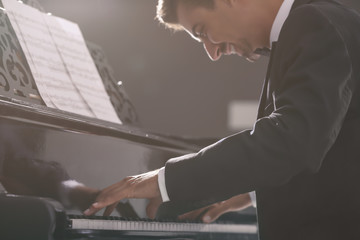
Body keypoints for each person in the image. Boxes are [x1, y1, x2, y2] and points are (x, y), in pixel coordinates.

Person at [84, 0, 360, 239]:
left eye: (203, 31)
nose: (213, 53)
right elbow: (333, 143)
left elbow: (293, 140)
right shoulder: (313, 24)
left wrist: (163, 180)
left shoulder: (314, 22)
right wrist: (251, 191)